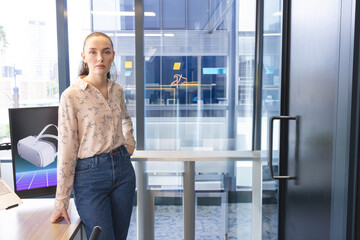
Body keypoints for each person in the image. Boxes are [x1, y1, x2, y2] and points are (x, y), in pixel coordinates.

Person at [50, 32, 136, 240]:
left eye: (106, 52)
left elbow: (126, 119)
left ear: (113, 56)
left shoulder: (117, 90)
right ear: (84, 56)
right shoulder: (71, 96)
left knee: (120, 237)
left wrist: (129, 144)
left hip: (123, 171)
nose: (100, 58)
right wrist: (61, 202)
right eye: (93, 52)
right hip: (90, 176)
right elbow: (67, 149)